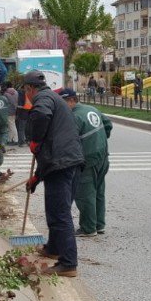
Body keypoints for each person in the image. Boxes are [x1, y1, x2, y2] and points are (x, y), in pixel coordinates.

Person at [23, 70, 84, 277]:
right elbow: (51, 150)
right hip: (66, 162)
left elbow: (40, 115)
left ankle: (68, 263)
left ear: (30, 89)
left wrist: (35, 139)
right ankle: (54, 249)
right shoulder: (54, 98)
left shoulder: (43, 98)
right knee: (56, 210)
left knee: (60, 214)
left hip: (62, 164)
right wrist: (36, 178)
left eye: (26, 92)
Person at [60, 88, 112, 238]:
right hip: (102, 156)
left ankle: (88, 228)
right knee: (98, 191)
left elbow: (69, 142)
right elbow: (108, 125)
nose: (63, 107)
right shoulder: (92, 109)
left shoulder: (74, 117)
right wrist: (99, 141)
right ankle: (99, 224)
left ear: (71, 100)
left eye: (64, 103)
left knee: (85, 193)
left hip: (87, 159)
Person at [3, 81, 19, 145]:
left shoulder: (5, 94)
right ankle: (10, 139)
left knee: (11, 126)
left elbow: (5, 103)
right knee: (12, 125)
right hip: (15, 110)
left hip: (8, 111)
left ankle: (15, 140)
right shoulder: (16, 92)